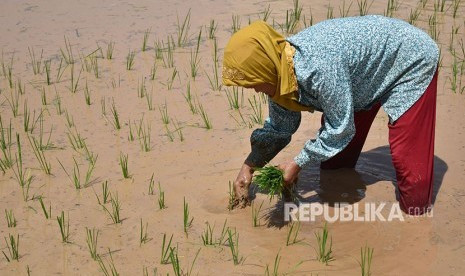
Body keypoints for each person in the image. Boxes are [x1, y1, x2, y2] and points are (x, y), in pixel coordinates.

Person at [222, 15, 439, 215]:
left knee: (410, 173)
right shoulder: (279, 73)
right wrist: (248, 167)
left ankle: (417, 223)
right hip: (362, 76)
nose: (255, 90)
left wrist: (297, 163)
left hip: (409, 59)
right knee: (334, 166)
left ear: (264, 68)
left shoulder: (318, 69)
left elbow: (341, 128)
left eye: (253, 82)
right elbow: (280, 128)